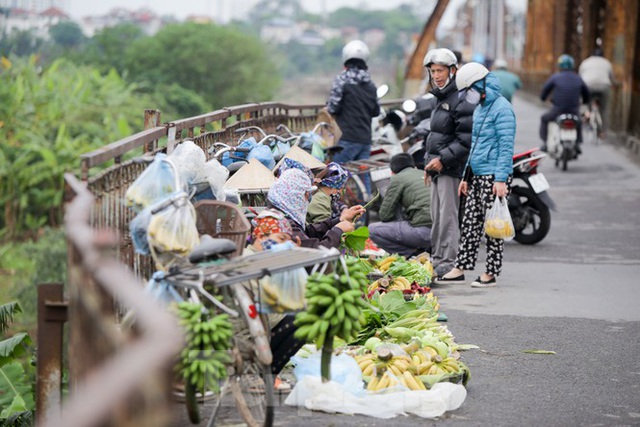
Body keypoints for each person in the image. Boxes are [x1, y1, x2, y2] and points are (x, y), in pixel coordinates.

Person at [435, 62, 515, 288]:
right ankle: (460, 268)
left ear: (482, 84)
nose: (469, 96)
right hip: (477, 174)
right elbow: (475, 146)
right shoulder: (480, 108)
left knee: (493, 228)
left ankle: (491, 273)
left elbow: (505, 147)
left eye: (471, 90)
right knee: (470, 224)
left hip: (494, 177)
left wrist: (500, 180)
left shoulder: (502, 108)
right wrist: (466, 177)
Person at [422, 47, 475, 277]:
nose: (436, 75)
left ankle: (449, 262)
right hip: (436, 168)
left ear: (452, 71)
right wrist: (428, 164)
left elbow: (466, 139)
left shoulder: (460, 98)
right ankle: (437, 259)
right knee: (437, 217)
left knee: (448, 217)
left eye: (440, 70)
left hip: (450, 169)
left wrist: (442, 160)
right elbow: (436, 135)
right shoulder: (441, 96)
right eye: (433, 71)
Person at [267, 168, 364, 249]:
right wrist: (338, 231)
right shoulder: (279, 223)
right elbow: (317, 252)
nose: (308, 199)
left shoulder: (282, 214)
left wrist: (340, 219)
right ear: (294, 195)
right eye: (305, 195)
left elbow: (308, 232)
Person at [326, 40, 381, 164]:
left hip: (346, 138)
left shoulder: (341, 80)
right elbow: (376, 111)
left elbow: (333, 108)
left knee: (336, 175)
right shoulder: (370, 84)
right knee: (363, 176)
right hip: (365, 139)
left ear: (345, 60)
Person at [368, 153, 432, 257]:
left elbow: (385, 215)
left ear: (392, 172)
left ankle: (412, 254)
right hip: (444, 232)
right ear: (414, 166)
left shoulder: (397, 179)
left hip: (424, 234)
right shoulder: (425, 173)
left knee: (372, 230)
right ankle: (427, 251)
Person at [539, 54, 590, 153]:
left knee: (544, 119)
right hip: (574, 110)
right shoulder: (578, 78)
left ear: (560, 66)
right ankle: (578, 143)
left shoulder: (555, 77)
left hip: (557, 110)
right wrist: (585, 101)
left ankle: (545, 143)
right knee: (578, 122)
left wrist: (543, 98)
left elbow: (545, 90)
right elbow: (586, 94)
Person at [578, 47, 617, 132]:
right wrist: (615, 84)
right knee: (604, 109)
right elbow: (612, 78)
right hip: (604, 86)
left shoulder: (586, 62)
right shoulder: (607, 63)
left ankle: (586, 114)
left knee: (585, 102)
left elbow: (580, 77)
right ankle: (602, 131)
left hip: (588, 86)